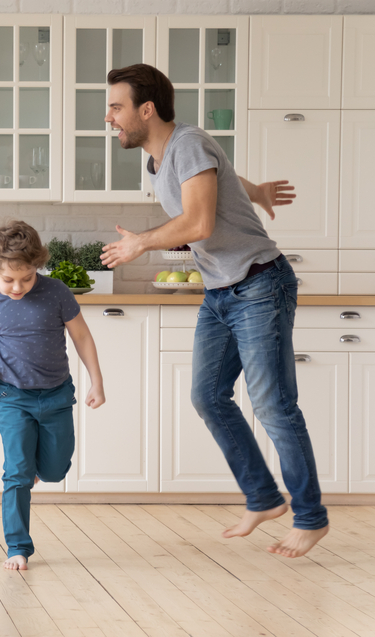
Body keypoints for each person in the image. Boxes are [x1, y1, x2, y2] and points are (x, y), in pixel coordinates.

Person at [100, 64, 329, 558]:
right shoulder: (163, 159)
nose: (109, 117)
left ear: (147, 109)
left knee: (273, 405)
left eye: (116, 107)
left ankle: (310, 517)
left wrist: (142, 242)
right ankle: (265, 498)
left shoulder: (188, 142)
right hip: (222, 291)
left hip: (259, 284)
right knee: (208, 395)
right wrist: (256, 191)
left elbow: (199, 220)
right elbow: (212, 178)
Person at [0, 220, 106, 571]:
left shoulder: (57, 292)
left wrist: (97, 381)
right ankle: (17, 547)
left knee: (54, 470)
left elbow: (82, 337)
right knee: (16, 472)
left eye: (27, 278)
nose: (17, 287)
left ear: (38, 267)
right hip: (11, 395)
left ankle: (36, 469)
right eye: (8, 280)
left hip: (56, 396)